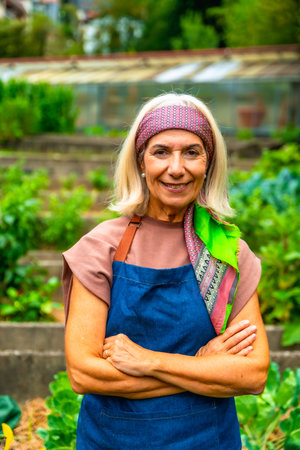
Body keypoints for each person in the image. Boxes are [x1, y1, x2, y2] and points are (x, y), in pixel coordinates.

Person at [63, 93, 270, 449]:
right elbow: (83, 372)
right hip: (114, 439)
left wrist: (149, 361)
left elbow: (252, 374)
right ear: (141, 161)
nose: (177, 168)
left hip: (208, 440)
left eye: (192, 152)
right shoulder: (102, 248)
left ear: (208, 164)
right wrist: (201, 368)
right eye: (161, 152)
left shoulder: (225, 251)